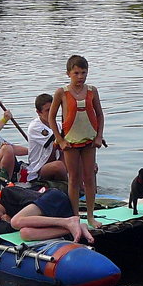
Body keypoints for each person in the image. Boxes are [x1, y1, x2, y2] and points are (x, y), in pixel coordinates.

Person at [49, 55, 104, 228]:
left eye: (83, 73)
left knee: (89, 178)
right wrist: (60, 139)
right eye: (76, 73)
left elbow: (100, 115)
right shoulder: (62, 93)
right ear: (68, 74)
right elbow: (51, 118)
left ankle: (90, 216)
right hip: (70, 142)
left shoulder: (92, 91)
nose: (80, 77)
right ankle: (74, 217)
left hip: (89, 140)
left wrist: (99, 136)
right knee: (73, 178)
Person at [0, 187, 94, 244]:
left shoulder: (8, 194)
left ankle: (69, 222)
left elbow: (36, 199)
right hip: (53, 218)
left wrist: (13, 219)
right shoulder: (5, 221)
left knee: (16, 222)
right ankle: (74, 227)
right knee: (25, 233)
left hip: (53, 200)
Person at [26, 93, 66, 181]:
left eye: (53, 109)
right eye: (48, 110)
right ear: (39, 112)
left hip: (57, 161)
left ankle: (91, 190)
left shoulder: (59, 125)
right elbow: (56, 143)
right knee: (58, 166)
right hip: (39, 170)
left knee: (90, 165)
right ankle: (75, 188)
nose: (52, 113)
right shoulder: (35, 127)